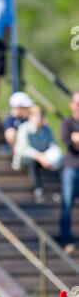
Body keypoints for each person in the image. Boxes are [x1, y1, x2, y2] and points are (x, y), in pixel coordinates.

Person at [12, 105, 64, 202]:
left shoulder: (46, 130)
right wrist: (39, 156)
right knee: (33, 161)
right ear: (30, 116)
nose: (39, 118)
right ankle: (38, 190)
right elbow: (22, 148)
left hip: (43, 158)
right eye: (36, 115)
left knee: (60, 162)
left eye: (40, 115)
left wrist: (54, 156)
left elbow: (53, 145)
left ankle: (60, 191)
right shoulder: (24, 128)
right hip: (25, 158)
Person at [58, 92, 79, 250]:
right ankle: (65, 239)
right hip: (71, 168)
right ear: (71, 105)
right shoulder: (67, 122)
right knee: (67, 204)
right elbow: (68, 142)